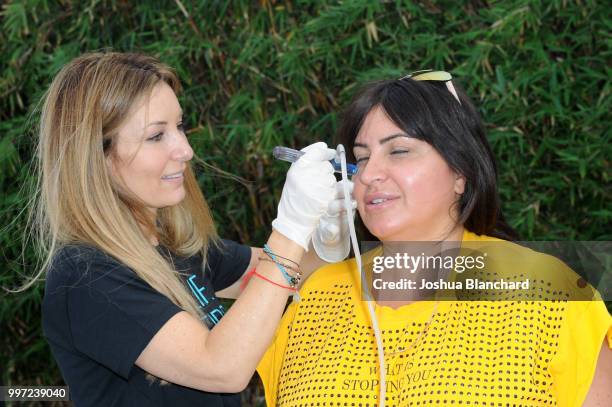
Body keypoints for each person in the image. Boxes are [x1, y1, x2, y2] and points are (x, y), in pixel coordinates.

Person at [257, 72, 612, 406]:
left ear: (460, 172)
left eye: (398, 151)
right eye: (361, 158)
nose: (369, 174)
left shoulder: (547, 293)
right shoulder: (313, 301)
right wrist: (292, 235)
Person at [34, 51, 343, 406]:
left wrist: (335, 228)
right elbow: (222, 366)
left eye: (179, 127)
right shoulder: (87, 277)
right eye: (156, 136)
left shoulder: (174, 247)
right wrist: (291, 227)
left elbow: (294, 274)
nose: (185, 150)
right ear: (96, 158)